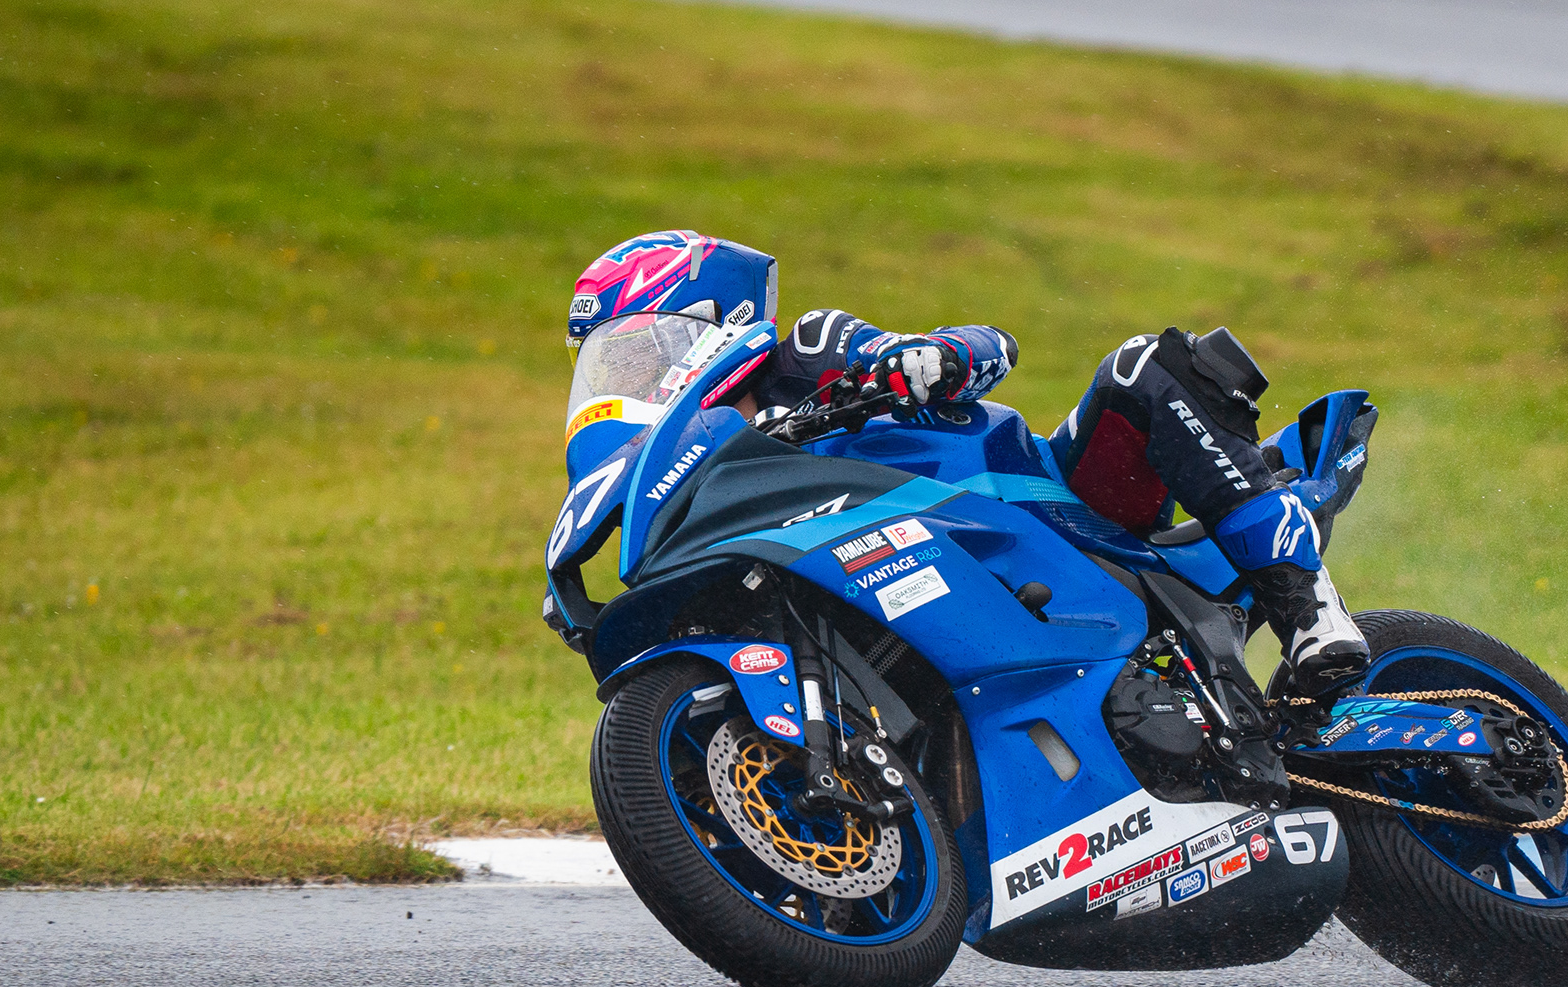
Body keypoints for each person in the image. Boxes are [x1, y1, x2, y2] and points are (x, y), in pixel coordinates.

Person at [555, 230, 1368, 696]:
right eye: (607, 367)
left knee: (1140, 368)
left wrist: (931, 357)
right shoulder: (699, 469)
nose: (625, 379)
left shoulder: (808, 349)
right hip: (905, 585)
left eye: (637, 354)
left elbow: (992, 347)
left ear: (713, 321)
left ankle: (1307, 610)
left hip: (1047, 509)